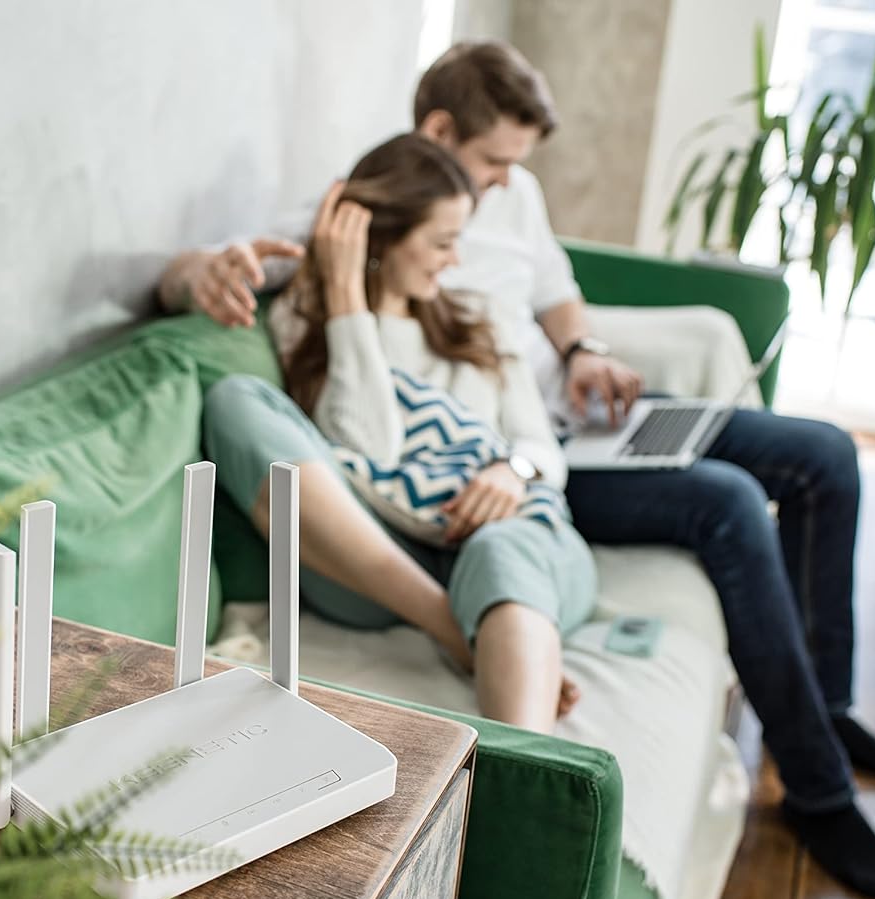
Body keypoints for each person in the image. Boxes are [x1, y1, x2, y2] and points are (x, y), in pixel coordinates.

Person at [163, 41, 875, 899]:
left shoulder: (490, 260)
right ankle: (813, 784)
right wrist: (281, 287)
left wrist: (572, 367)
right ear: (438, 134)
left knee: (822, 453)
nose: (497, 195)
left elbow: (551, 300)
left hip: (544, 438)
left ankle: (827, 718)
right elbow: (298, 367)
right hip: (408, 510)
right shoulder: (339, 235)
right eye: (487, 169)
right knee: (724, 503)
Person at [204, 132, 598, 734]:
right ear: (379, 241)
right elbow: (373, 448)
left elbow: (542, 447)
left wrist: (511, 472)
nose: (455, 259)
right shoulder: (305, 323)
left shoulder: (479, 321)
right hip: (376, 563)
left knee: (499, 550)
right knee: (235, 400)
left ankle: (528, 774)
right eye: (442, 242)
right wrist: (345, 298)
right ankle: (452, 625)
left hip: (509, 537)